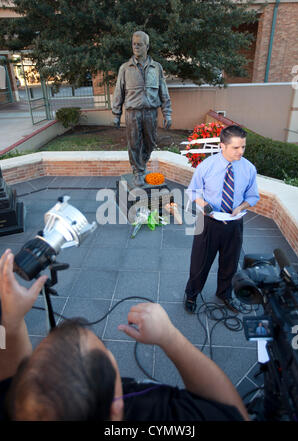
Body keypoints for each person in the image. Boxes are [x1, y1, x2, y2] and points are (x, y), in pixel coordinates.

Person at [0, 249, 249, 421]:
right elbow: (233, 412)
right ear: (116, 408)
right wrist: (172, 339)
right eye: (107, 353)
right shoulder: (155, 414)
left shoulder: (24, 408)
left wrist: (9, 325)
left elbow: (8, 380)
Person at [184, 125, 260, 314]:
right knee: (199, 263)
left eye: (243, 147)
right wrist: (205, 206)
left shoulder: (249, 169)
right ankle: (192, 295)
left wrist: (241, 207)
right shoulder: (206, 166)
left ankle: (224, 294)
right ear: (222, 146)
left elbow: (252, 196)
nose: (240, 151)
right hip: (208, 222)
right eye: (235, 147)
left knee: (230, 264)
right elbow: (193, 191)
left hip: (234, 224)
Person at [112, 30, 172, 187]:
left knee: (150, 142)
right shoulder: (125, 68)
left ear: (147, 46)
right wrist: (116, 114)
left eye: (139, 44)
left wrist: (167, 114)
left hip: (151, 112)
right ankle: (138, 171)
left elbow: (163, 91)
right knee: (134, 143)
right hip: (132, 113)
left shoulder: (156, 67)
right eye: (134, 44)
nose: (136, 47)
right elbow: (118, 91)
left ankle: (141, 165)